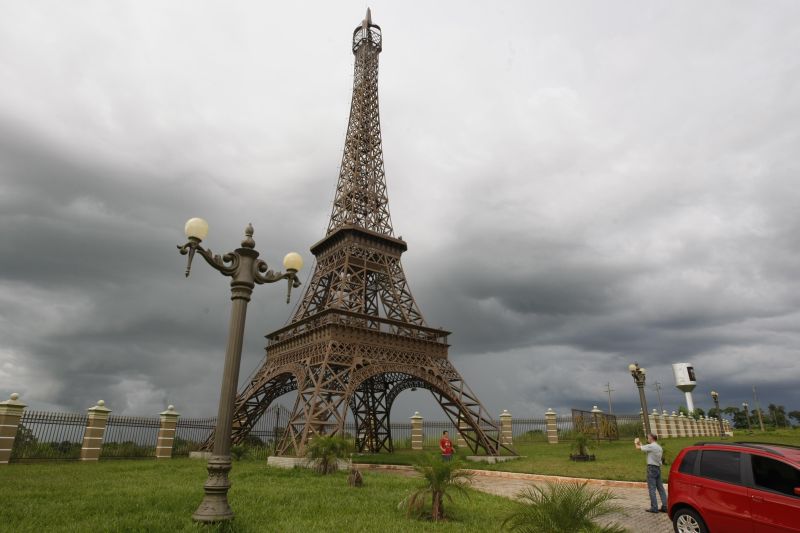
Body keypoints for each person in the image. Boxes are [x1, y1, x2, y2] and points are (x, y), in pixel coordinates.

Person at [635, 433, 667, 513]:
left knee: (652, 489)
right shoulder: (659, 447)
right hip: (658, 469)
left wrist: (636, 442)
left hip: (651, 469)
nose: (647, 438)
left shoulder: (651, 446)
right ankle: (665, 506)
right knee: (661, 488)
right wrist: (640, 443)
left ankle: (654, 507)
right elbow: (645, 448)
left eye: (648, 437)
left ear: (652, 438)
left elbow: (638, 448)